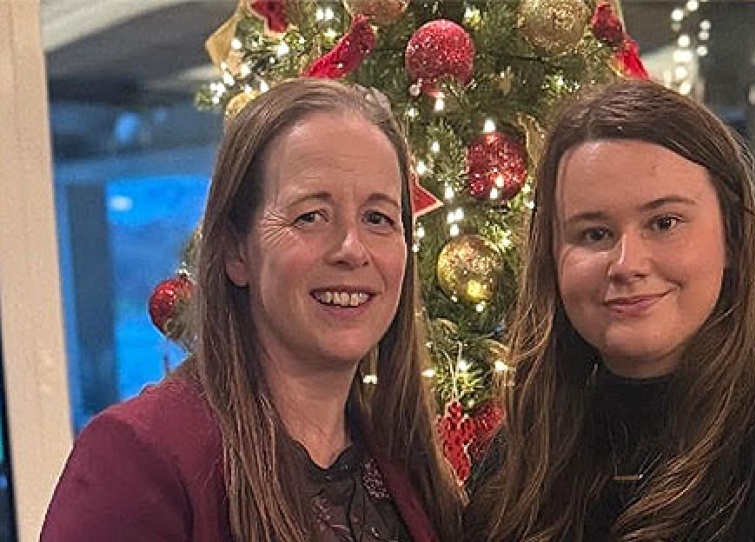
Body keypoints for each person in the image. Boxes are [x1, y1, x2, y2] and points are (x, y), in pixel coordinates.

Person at [463, 78, 755, 541]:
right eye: (594, 234)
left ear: (732, 239)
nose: (627, 264)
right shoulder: (516, 464)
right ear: (551, 258)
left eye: (664, 223)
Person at [41, 78, 462, 542]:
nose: (351, 249)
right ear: (236, 251)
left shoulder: (406, 466)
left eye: (378, 218)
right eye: (311, 216)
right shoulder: (138, 458)